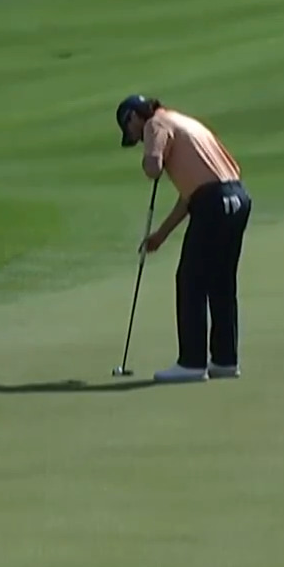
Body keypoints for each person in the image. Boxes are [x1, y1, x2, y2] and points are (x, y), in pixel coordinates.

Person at [115, 94, 252, 382]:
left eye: (131, 132)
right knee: (221, 282)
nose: (137, 138)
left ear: (133, 117)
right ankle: (225, 360)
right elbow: (192, 196)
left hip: (213, 201)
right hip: (237, 198)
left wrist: (151, 158)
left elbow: (153, 168)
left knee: (191, 280)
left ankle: (192, 363)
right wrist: (161, 235)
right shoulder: (184, 122)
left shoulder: (155, 124)